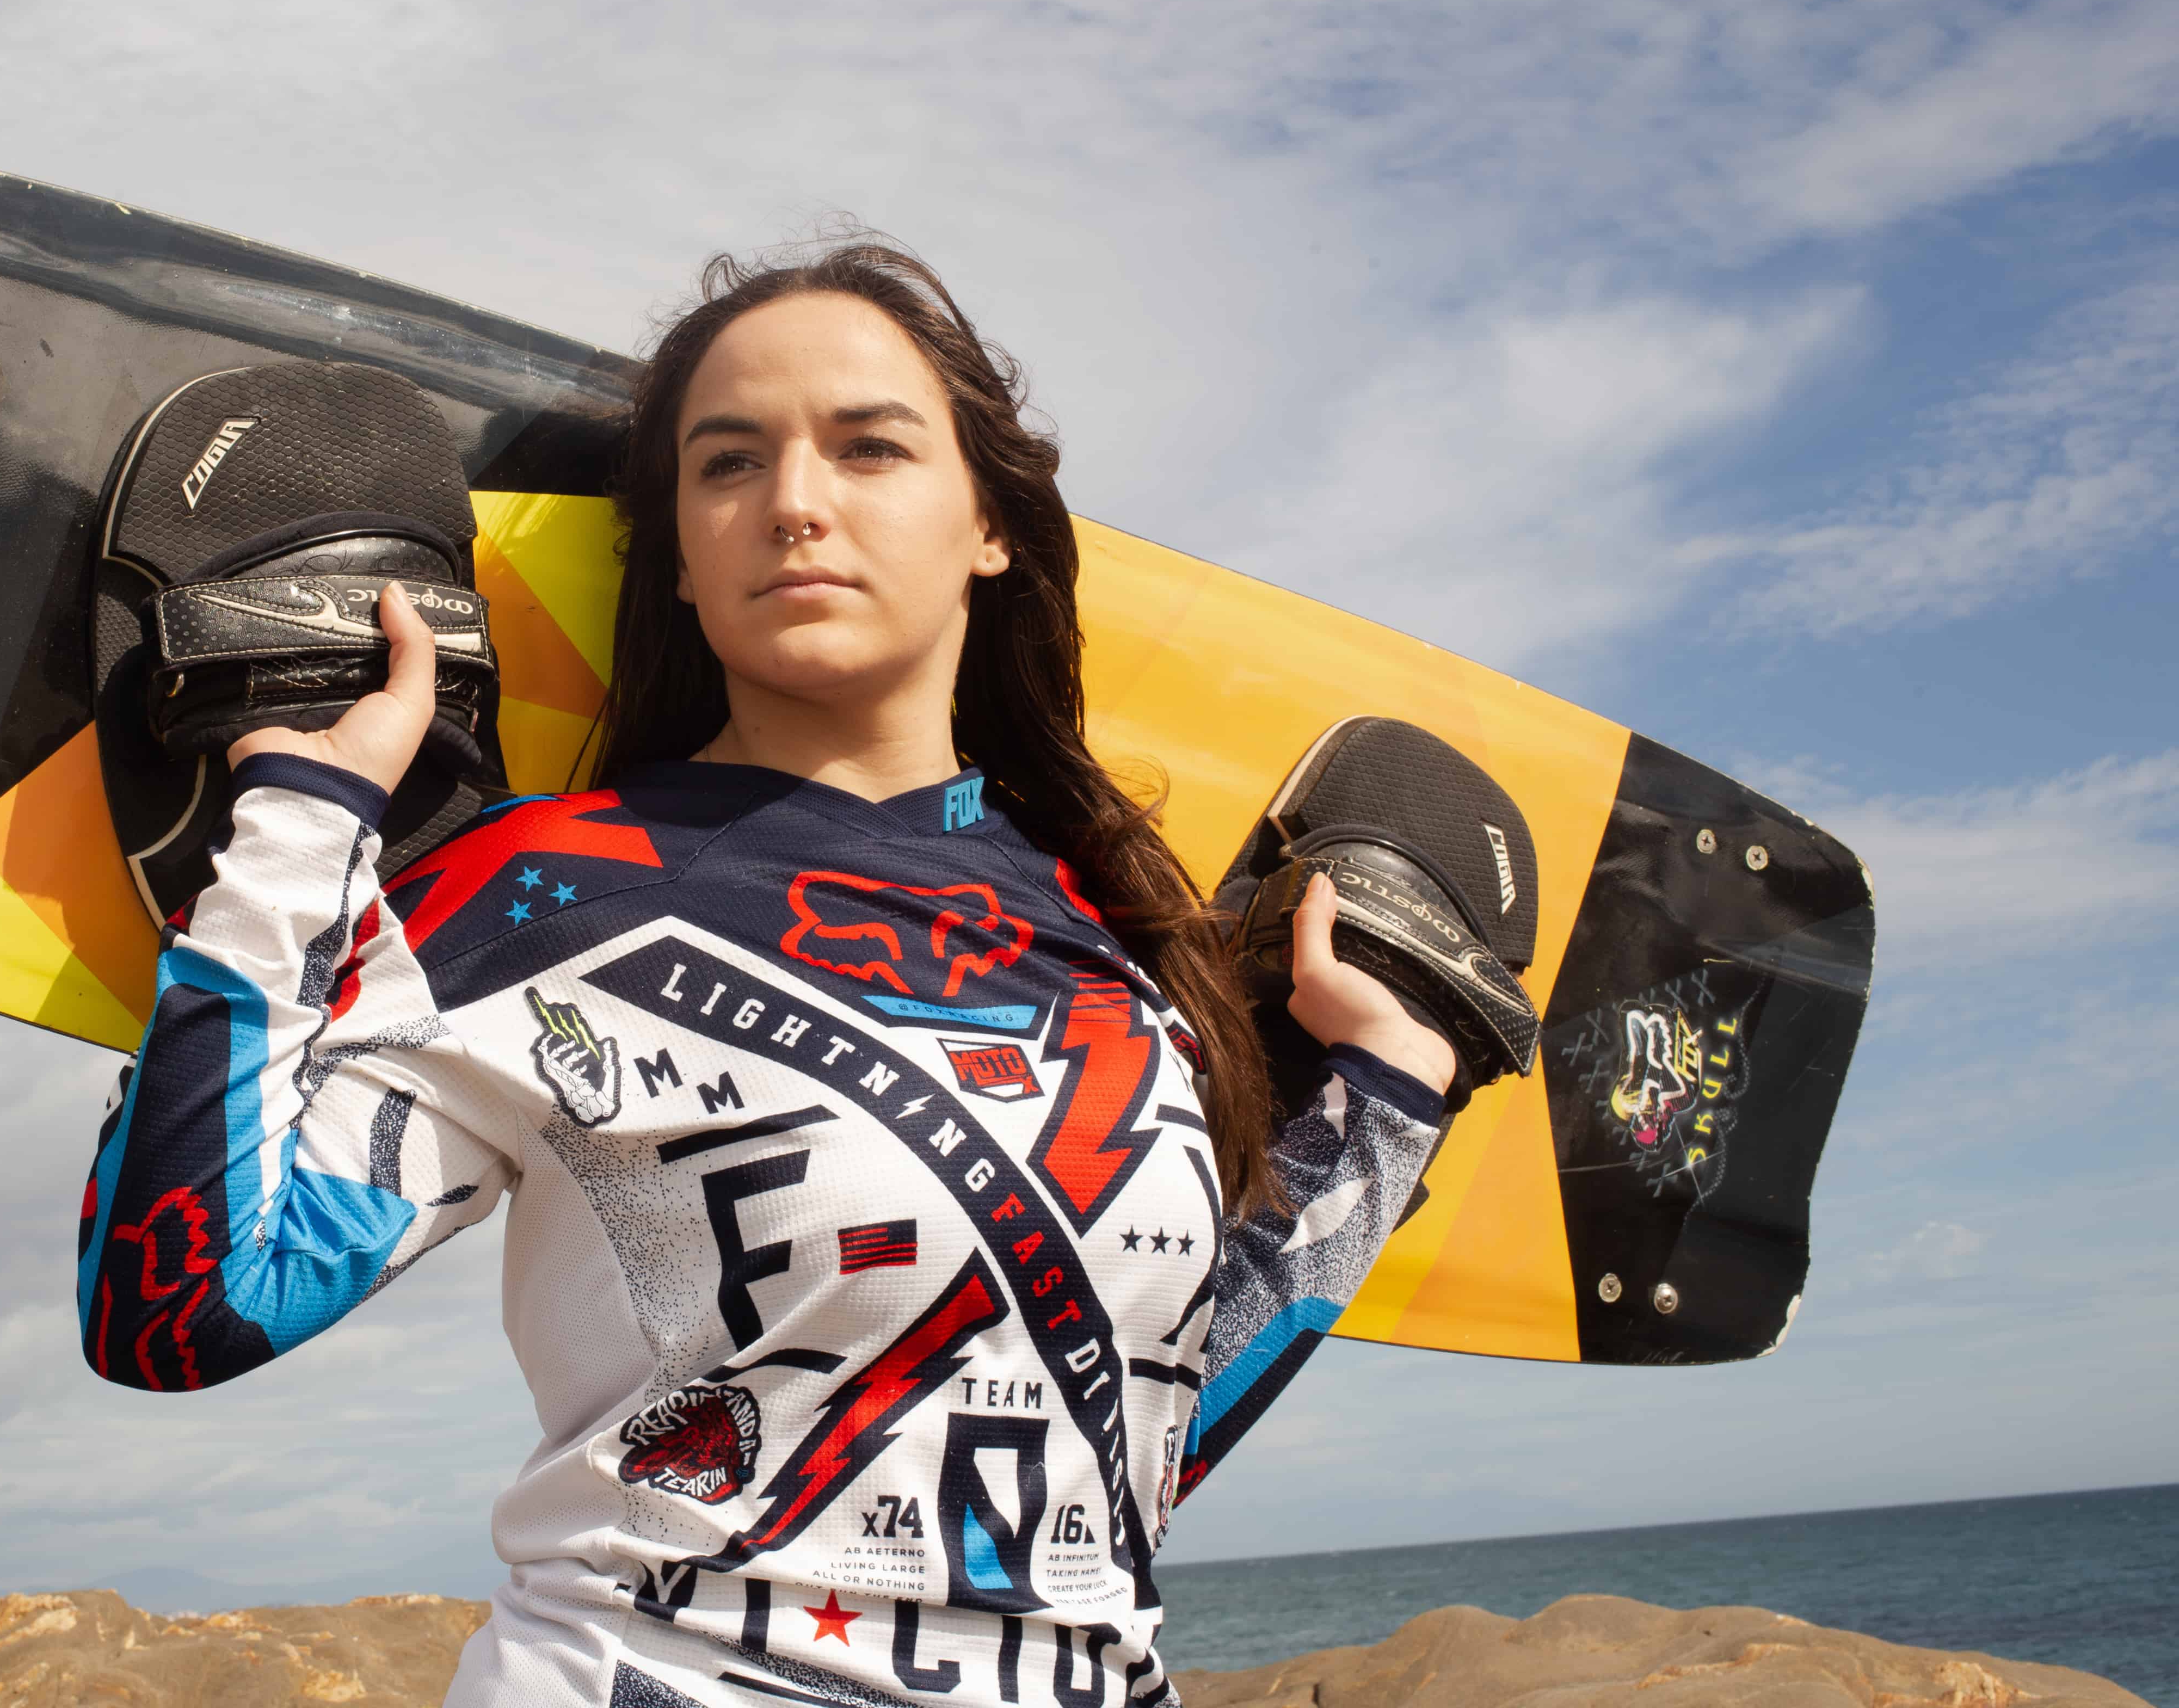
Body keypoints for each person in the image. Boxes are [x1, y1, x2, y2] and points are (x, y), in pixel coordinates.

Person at [75, 244, 1458, 1708]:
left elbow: (1136, 1450)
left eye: (869, 449)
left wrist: (1388, 1098)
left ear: (991, 522)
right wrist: (302, 815)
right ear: (676, 553)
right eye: (729, 464)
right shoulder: (537, 899)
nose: (796, 503)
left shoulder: (1120, 950)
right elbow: (177, 1308)